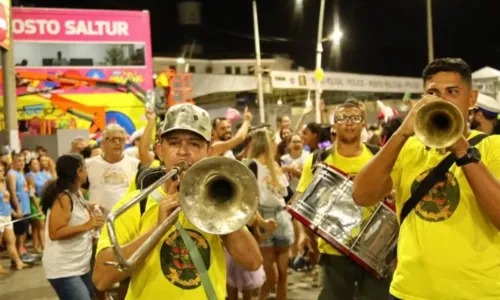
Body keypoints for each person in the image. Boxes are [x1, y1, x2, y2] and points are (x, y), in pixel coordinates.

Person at [352, 58, 500, 300]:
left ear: (471, 99)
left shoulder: (494, 146)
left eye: (452, 92)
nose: (442, 99)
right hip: (410, 291)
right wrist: (401, 133)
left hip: (479, 293)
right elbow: (361, 195)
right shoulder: (408, 148)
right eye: (433, 92)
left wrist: (462, 150)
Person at [93, 103, 262, 300]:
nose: (183, 152)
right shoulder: (136, 202)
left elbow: (253, 262)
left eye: (194, 144)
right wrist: (157, 230)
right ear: (159, 150)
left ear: (208, 151)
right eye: (174, 143)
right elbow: (101, 278)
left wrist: (219, 208)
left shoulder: (217, 202)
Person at [294, 102, 389, 300]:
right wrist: (302, 234)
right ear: (333, 126)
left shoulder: (378, 156)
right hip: (333, 250)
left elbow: (395, 194)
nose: (348, 123)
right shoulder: (318, 159)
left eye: (354, 118)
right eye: (342, 118)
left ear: (363, 123)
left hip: (374, 250)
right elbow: (300, 201)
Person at [41, 154, 105, 300]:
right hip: (64, 269)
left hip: (79, 265)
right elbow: (55, 233)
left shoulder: (74, 192)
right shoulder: (63, 198)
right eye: (85, 169)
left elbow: (76, 210)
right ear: (78, 171)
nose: (87, 172)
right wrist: (87, 225)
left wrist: (92, 205)